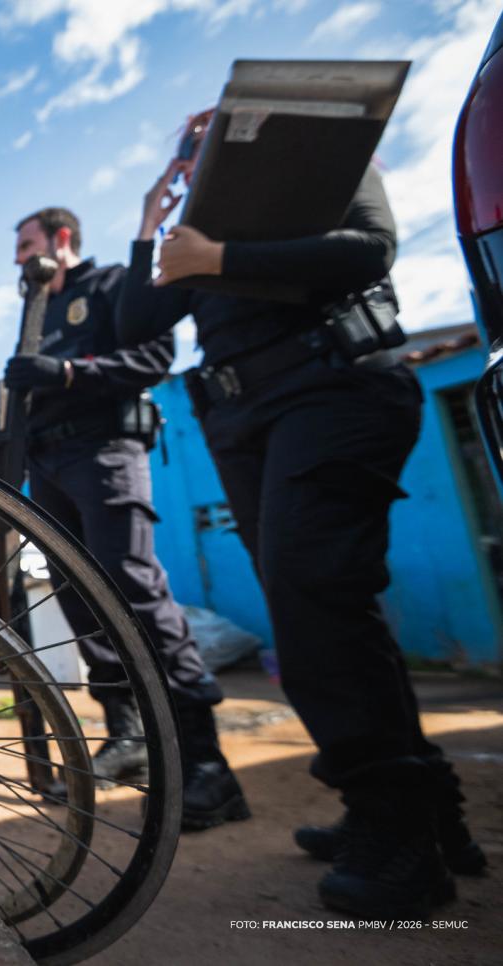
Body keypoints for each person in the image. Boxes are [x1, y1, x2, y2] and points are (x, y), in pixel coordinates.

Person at [118, 109, 485, 916]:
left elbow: (369, 248)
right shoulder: (193, 225)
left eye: (215, 130)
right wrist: (153, 225)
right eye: (189, 141)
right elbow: (136, 323)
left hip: (335, 390)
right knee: (326, 605)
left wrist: (220, 258)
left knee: (316, 593)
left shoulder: (320, 165)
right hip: (247, 421)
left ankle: (401, 844)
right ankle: (424, 814)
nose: (202, 147)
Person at [3, 207, 247, 829]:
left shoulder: (112, 284)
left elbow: (155, 355)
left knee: (134, 589)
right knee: (80, 599)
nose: (17, 259)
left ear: (62, 239)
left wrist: (65, 372)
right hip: (49, 462)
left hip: (106, 450)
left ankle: (206, 762)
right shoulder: (36, 310)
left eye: (25, 244)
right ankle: (130, 737)